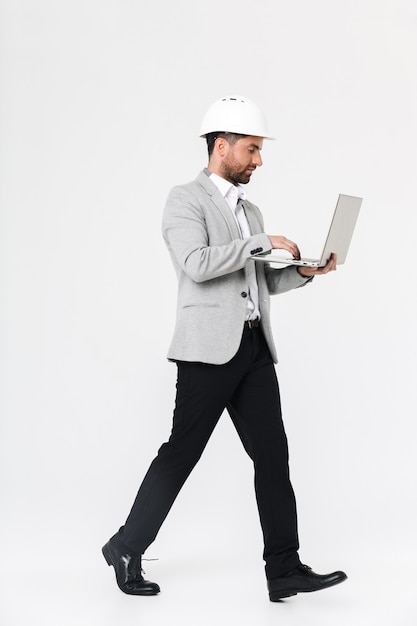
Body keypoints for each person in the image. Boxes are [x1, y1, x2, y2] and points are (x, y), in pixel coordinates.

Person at [102, 95, 347, 602]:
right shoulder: (184, 199)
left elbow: (257, 284)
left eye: (259, 151)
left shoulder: (250, 210)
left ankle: (284, 569)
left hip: (254, 347)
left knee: (272, 457)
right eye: (252, 150)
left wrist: (302, 271)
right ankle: (127, 546)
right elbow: (196, 263)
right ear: (221, 146)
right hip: (206, 351)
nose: (259, 161)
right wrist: (262, 244)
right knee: (182, 454)